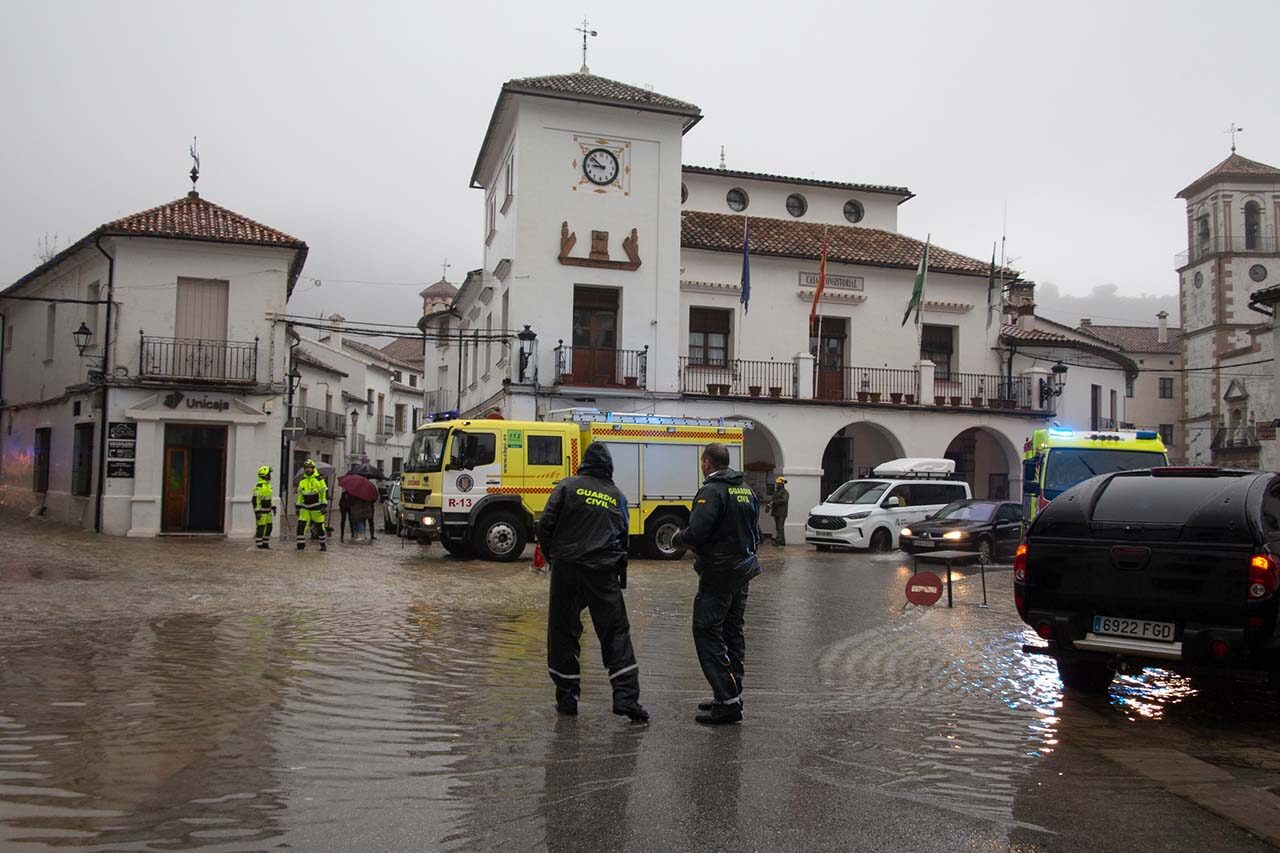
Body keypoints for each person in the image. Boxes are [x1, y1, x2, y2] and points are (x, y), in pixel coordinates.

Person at [538, 443, 649, 723]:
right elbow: (624, 538)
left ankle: (567, 698)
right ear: (609, 468)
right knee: (615, 633)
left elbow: (545, 525)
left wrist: (554, 556)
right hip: (602, 570)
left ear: (584, 464)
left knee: (563, 631)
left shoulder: (566, 487)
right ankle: (626, 699)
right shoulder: (617, 497)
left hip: (567, 567)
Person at [672, 442, 762, 725]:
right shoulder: (745, 490)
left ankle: (727, 700)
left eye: (702, 462)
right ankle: (732, 696)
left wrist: (677, 538)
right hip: (742, 571)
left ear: (708, 463)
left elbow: (697, 532)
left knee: (706, 631)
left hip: (719, 574)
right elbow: (756, 533)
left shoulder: (711, 491)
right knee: (732, 632)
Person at [296, 459, 329, 551]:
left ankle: (323, 545)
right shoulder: (302, 481)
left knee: (320, 528)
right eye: (306, 468)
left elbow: (323, 494)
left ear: (313, 468)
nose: (308, 470)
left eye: (309, 468)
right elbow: (300, 495)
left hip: (317, 507)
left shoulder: (319, 480)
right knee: (301, 527)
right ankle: (300, 547)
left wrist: (323, 505)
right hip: (305, 507)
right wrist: (298, 507)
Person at [253, 465, 277, 549]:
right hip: (262, 512)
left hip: (268, 511)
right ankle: (259, 544)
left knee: (269, 527)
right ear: (263, 475)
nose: (269, 476)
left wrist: (273, 507)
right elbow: (255, 500)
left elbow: (270, 498)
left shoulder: (268, 486)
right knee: (261, 528)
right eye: (268, 474)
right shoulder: (259, 487)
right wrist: (257, 512)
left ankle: (266, 543)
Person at [769, 476, 789, 547]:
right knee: (778, 527)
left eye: (778, 483)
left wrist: (774, 502)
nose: (777, 485)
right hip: (776, 512)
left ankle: (778, 541)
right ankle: (782, 541)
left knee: (780, 527)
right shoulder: (777, 492)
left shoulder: (784, 492)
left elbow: (784, 500)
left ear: (781, 484)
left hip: (781, 513)